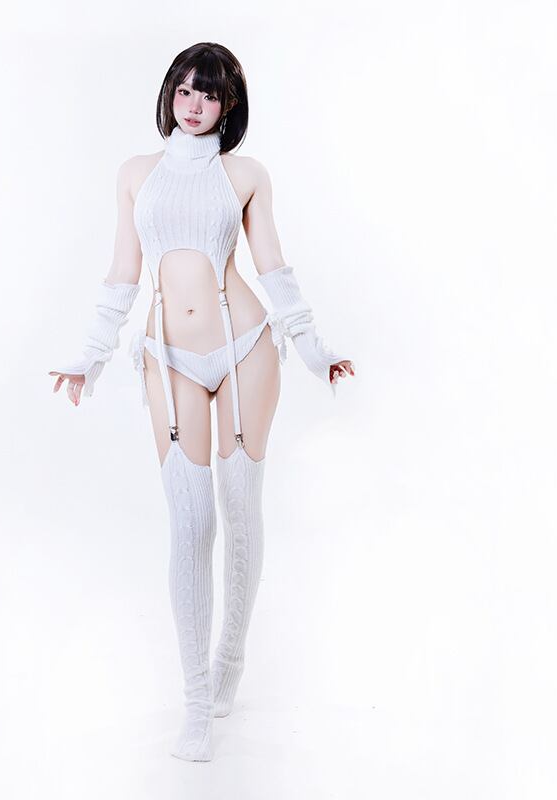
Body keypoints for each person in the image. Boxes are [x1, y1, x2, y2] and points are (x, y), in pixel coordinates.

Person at [48, 42, 355, 762]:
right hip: (167, 355)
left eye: (209, 94)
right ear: (169, 94)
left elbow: (273, 268)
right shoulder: (136, 174)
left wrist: (314, 349)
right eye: (185, 89)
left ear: (228, 106)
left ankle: (229, 665)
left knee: (240, 511)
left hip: (246, 345)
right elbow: (123, 274)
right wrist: (90, 356)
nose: (194, 104)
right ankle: (195, 703)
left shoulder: (245, 175)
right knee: (190, 526)